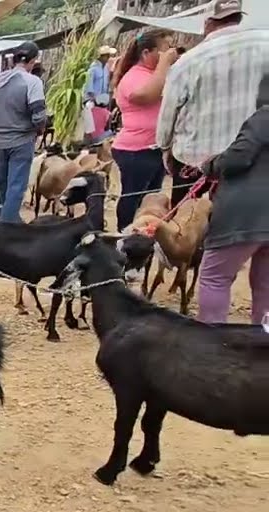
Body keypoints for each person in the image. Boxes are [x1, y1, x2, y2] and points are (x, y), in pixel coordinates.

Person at [157, 0, 269, 206]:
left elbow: (168, 113)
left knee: (186, 229)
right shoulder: (266, 44)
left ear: (208, 23)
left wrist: (164, 147)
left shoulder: (188, 61)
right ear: (238, 18)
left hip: (195, 164)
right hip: (251, 161)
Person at [197, 73, 268, 325]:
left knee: (215, 277)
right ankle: (263, 346)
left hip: (245, 214)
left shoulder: (264, 117)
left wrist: (212, 164)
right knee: (265, 286)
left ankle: (215, 347)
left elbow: (238, 158)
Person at [109, 29, 177, 232]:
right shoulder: (134, 76)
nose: (169, 53)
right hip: (136, 150)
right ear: (146, 53)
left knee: (150, 199)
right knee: (133, 197)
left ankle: (141, 238)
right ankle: (124, 235)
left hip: (153, 148)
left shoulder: (155, 75)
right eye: (164, 49)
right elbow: (146, 95)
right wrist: (165, 64)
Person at [0, 41, 46, 223]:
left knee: (4, 186)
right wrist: (36, 129)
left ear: (13, 59)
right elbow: (39, 117)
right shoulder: (32, 82)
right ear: (33, 61)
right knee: (16, 186)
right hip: (21, 141)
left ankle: (11, 220)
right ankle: (6, 227)